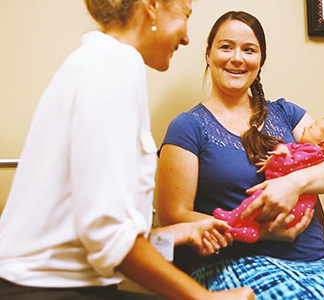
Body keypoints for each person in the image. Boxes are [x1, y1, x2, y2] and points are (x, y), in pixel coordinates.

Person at [0, 2, 256, 299]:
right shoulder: (114, 65)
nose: (186, 38)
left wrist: (175, 234)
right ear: (153, 6)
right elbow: (109, 237)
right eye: (185, 16)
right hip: (42, 290)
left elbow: (93, 229)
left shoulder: (98, 60)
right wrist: (205, 298)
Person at [157, 10, 324, 299]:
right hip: (235, 263)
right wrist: (264, 232)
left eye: (249, 49)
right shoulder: (188, 126)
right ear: (207, 53)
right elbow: (173, 217)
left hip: (320, 258)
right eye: (226, 46)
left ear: (260, 60)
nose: (237, 58)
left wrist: (291, 184)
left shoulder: (286, 113)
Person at [214, 117, 324, 242]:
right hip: (295, 213)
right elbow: (292, 153)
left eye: (312, 127)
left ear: (322, 144)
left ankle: (232, 220)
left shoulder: (312, 153)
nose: (307, 127)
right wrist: (282, 148)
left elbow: (286, 165)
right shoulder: (312, 153)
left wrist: (278, 157)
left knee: (255, 201)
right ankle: (250, 230)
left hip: (291, 209)